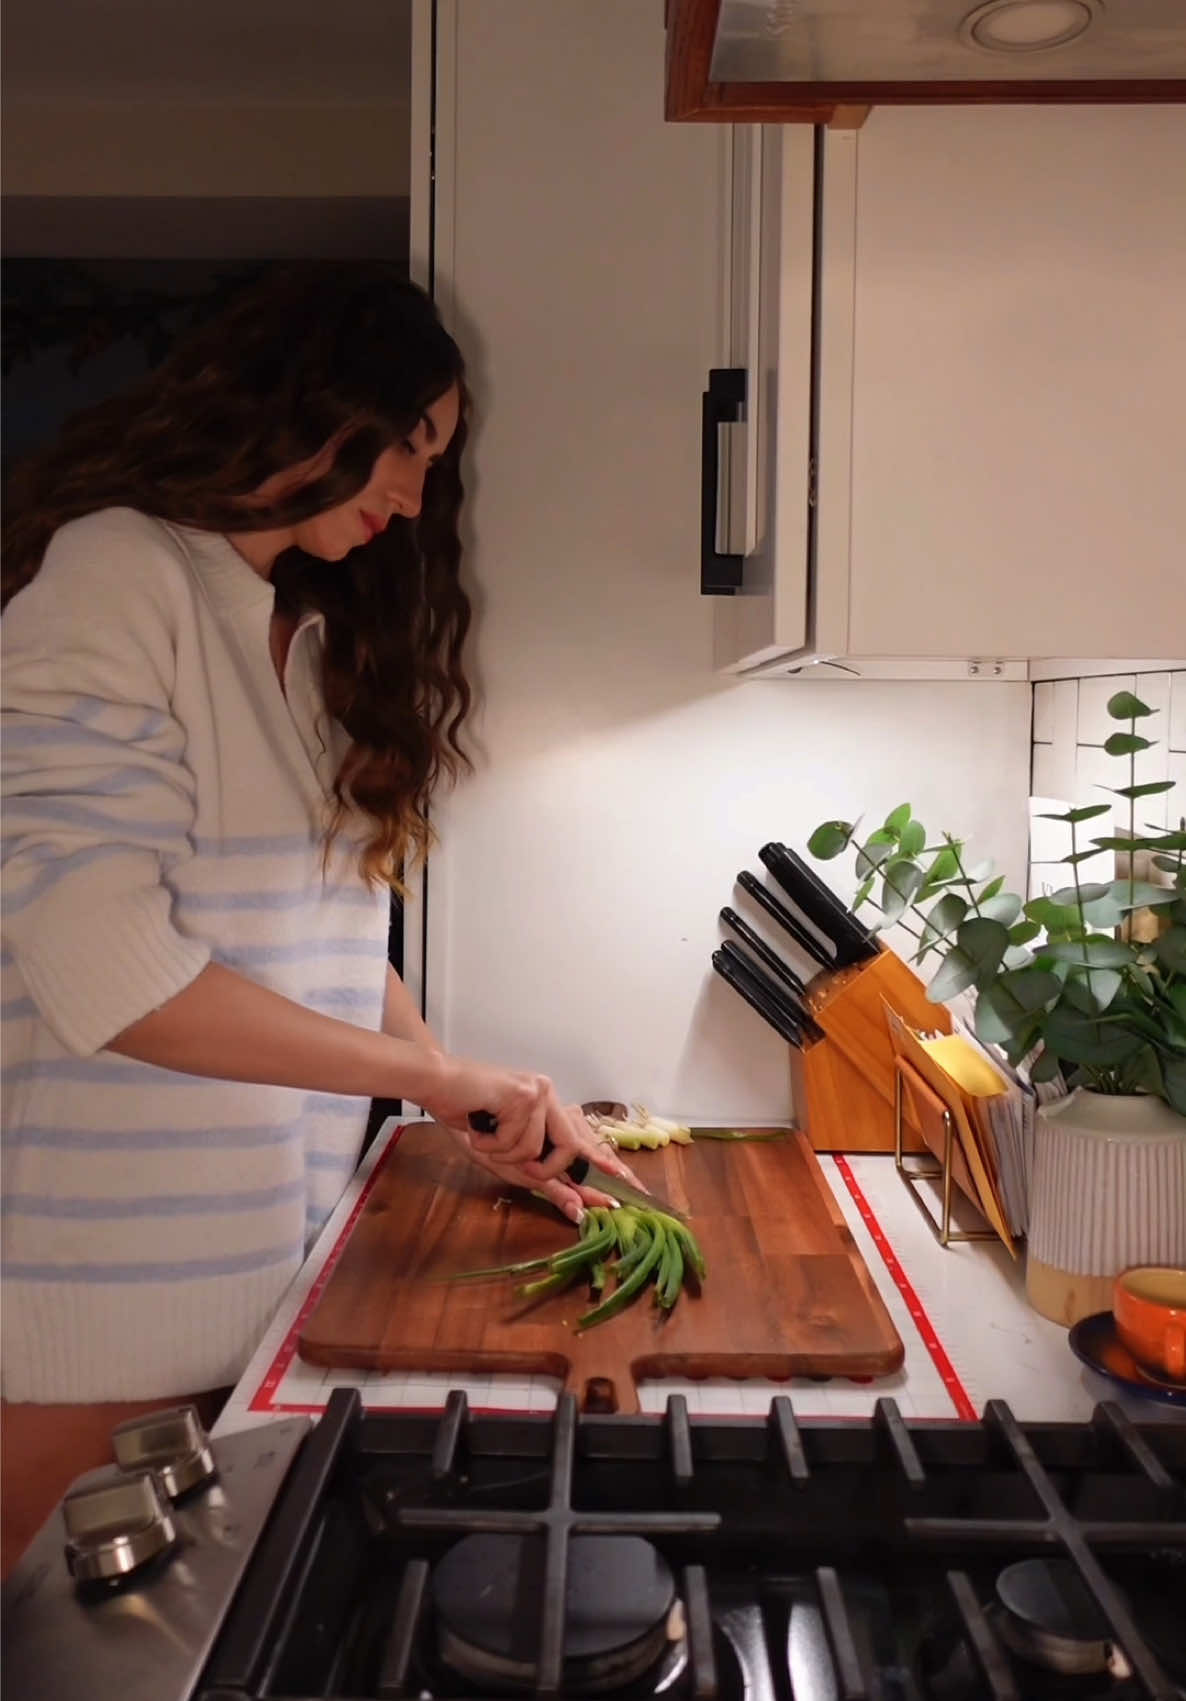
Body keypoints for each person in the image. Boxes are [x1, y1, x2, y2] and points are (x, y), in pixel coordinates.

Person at [0, 263, 635, 1569]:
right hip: (92, 1295)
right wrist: (428, 1072)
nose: (412, 491)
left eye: (432, 459)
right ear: (307, 400)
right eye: (406, 442)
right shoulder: (116, 573)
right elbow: (107, 973)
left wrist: (462, 1097)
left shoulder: (294, 638)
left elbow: (332, 946)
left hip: (261, 1284)